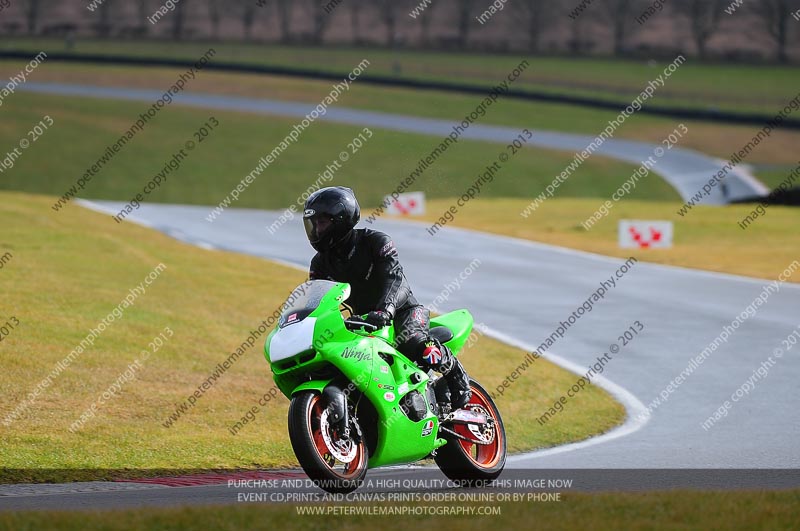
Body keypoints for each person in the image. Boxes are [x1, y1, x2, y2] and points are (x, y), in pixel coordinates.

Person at [302, 186, 472, 410]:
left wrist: (386, 310)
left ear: (341, 219)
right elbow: (317, 299)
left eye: (322, 223)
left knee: (413, 342)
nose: (316, 230)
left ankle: (457, 377)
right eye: (313, 224)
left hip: (403, 312)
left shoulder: (375, 241)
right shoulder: (320, 263)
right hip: (362, 322)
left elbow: (394, 278)